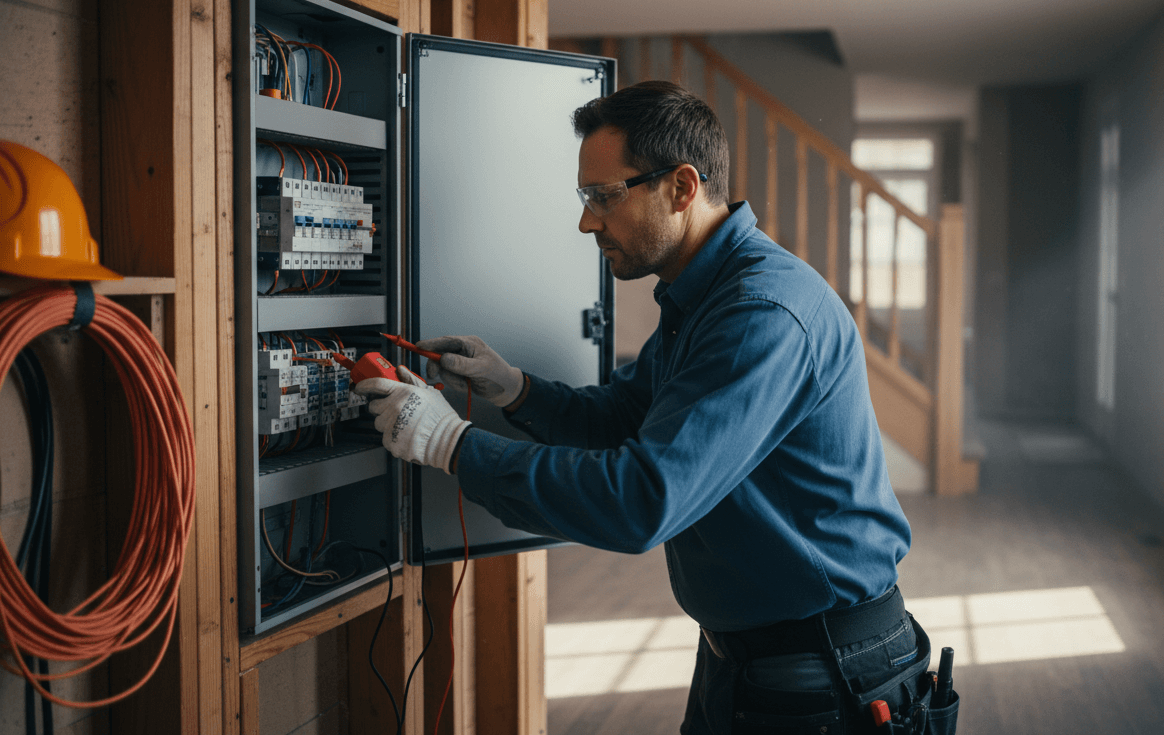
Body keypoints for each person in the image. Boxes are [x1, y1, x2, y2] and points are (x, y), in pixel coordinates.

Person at [357, 81, 938, 734]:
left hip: (823, 676)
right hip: (754, 659)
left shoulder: (760, 314)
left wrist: (449, 444)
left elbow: (642, 501)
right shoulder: (701, 294)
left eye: (605, 197)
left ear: (682, 188)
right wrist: (513, 387)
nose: (587, 221)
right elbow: (624, 415)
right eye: (586, 197)